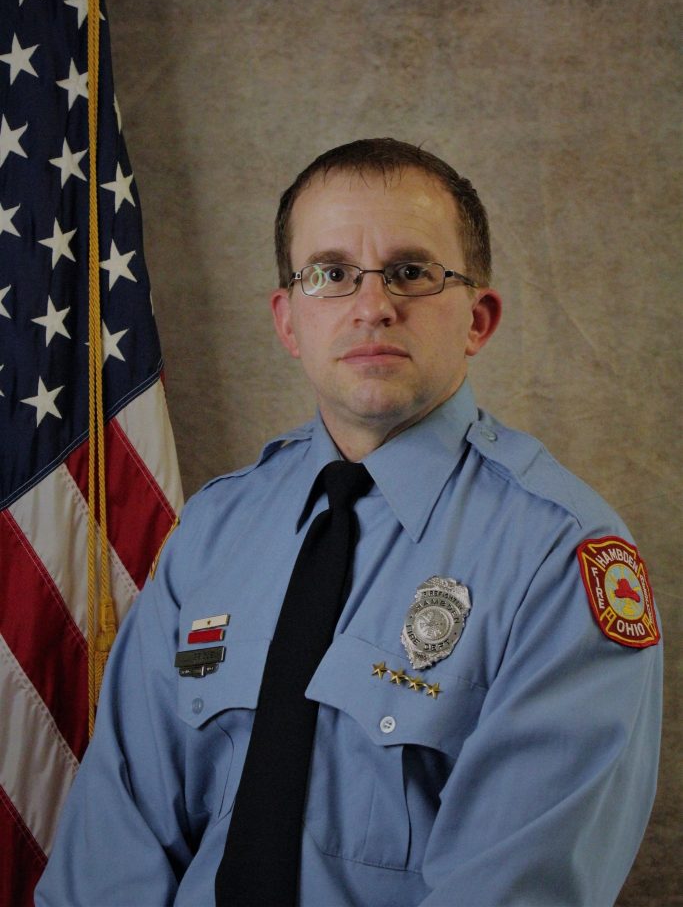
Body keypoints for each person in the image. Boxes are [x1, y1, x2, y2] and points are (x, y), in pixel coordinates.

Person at [36, 138, 662, 907]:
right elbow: (112, 845)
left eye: (411, 271)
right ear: (287, 319)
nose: (372, 305)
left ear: (478, 318)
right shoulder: (213, 530)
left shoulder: (560, 556)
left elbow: (512, 890)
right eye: (330, 274)